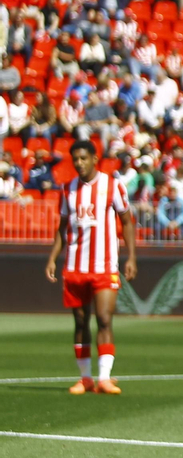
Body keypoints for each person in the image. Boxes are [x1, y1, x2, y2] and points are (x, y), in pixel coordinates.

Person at [44, 140, 138, 395]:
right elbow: (62, 228)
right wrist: (53, 257)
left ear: (95, 159)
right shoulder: (67, 190)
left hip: (105, 264)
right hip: (75, 266)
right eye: (75, 159)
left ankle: (104, 378)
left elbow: (127, 222)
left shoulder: (113, 185)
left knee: (104, 318)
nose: (79, 163)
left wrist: (131, 257)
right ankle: (85, 378)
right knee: (80, 321)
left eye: (84, 158)